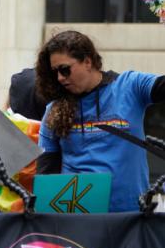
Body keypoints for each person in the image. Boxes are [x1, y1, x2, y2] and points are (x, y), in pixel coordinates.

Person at [35, 30, 165, 212]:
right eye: (55, 72)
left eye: (65, 70)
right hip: (77, 220)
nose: (60, 78)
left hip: (131, 216)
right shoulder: (53, 111)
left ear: (88, 62)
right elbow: (46, 174)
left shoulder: (130, 86)